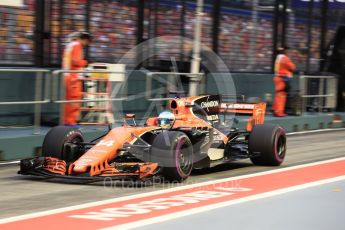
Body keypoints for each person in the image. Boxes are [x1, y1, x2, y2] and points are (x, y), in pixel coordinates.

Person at [62, 31, 91, 125]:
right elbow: (76, 61)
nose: (86, 44)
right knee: (74, 100)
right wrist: (85, 62)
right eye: (87, 42)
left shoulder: (70, 45)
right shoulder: (77, 45)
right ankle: (71, 122)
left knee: (70, 100)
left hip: (68, 76)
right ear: (85, 40)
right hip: (73, 77)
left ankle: (68, 121)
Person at [272, 46, 296, 117]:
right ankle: (279, 112)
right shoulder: (284, 58)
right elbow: (292, 67)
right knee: (281, 95)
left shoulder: (278, 58)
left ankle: (275, 110)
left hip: (278, 77)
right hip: (282, 78)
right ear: (285, 51)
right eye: (287, 51)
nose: (288, 53)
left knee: (278, 94)